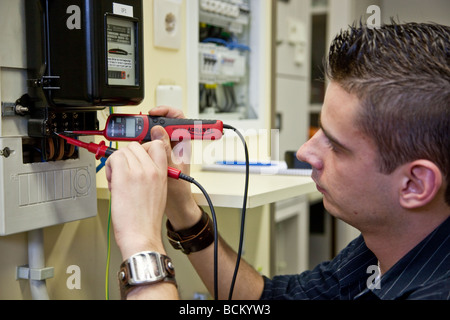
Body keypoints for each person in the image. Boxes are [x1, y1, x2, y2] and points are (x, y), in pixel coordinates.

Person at [105, 22, 450, 300]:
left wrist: (141, 247)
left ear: (415, 184)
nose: (305, 153)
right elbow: (266, 298)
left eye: (336, 144)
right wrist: (184, 212)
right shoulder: (382, 250)